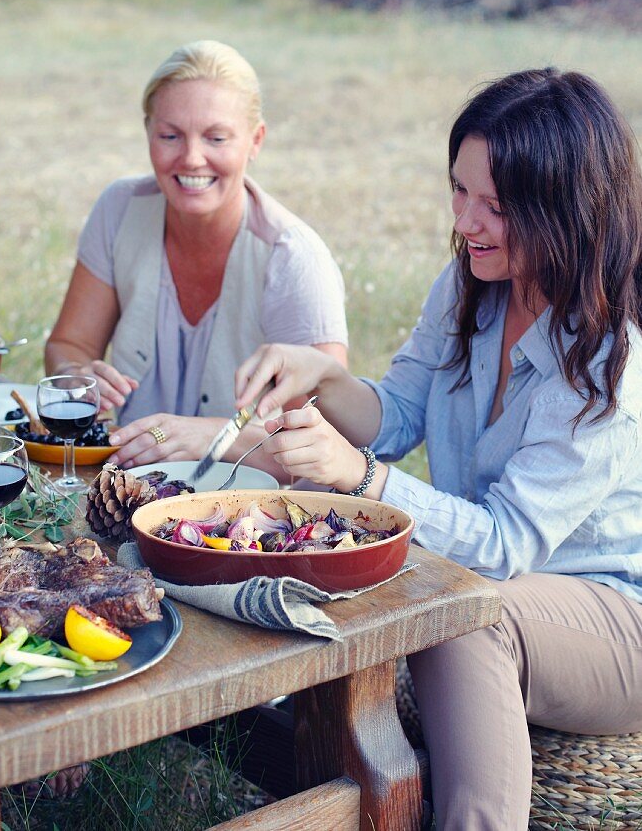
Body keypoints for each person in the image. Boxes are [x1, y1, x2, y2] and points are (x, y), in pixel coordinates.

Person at [234, 68, 642, 831]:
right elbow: (394, 415)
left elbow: (502, 545)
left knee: (466, 613)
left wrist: (359, 477)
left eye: (496, 206)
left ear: (566, 209)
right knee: (434, 594)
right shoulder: (466, 288)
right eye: (459, 191)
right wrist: (320, 376)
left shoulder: (608, 364)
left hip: (615, 614)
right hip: (501, 583)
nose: (467, 222)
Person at [45, 39, 348, 472]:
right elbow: (68, 344)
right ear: (148, 132)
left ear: (255, 140)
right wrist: (78, 377)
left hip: (246, 516)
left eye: (216, 137)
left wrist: (213, 437)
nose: (191, 158)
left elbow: (325, 446)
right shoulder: (119, 209)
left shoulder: (294, 258)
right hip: (126, 487)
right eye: (170, 136)